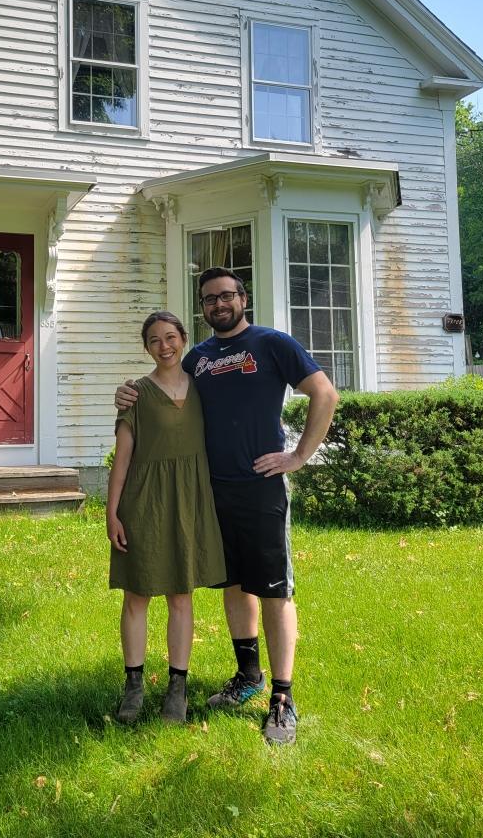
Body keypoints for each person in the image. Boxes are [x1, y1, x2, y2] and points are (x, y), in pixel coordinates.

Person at [115, 268, 338, 744]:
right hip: (209, 492)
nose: (218, 304)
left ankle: (282, 698)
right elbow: (165, 390)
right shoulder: (197, 358)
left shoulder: (272, 344)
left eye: (226, 295)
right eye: (209, 299)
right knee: (233, 584)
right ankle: (248, 676)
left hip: (261, 488)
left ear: (243, 298)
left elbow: (324, 393)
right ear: (202, 309)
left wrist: (299, 456)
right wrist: (126, 393)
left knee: (274, 590)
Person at [107, 310, 226, 725]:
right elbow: (122, 459)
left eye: (171, 337)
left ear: (184, 339)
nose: (164, 346)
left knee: (180, 594)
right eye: (155, 340)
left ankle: (178, 688)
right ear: (146, 347)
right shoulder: (137, 395)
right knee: (137, 594)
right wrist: (111, 512)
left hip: (189, 501)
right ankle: (134, 687)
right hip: (143, 502)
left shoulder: (203, 387)